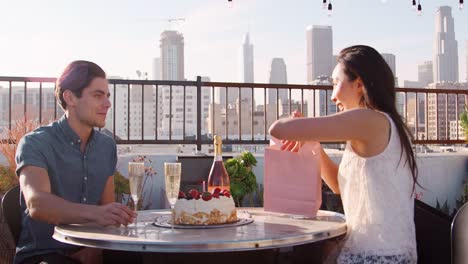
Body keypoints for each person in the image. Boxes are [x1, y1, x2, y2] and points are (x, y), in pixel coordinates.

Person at [269, 45, 418, 263]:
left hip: (379, 257)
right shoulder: (379, 124)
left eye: (336, 83)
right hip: (380, 253)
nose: (332, 96)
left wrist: (299, 124)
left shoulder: (369, 121)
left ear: (359, 84)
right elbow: (340, 186)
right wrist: (314, 145)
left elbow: (278, 129)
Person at [15, 60, 136, 264]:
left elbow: (107, 209)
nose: (107, 104)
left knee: (137, 258)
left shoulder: (106, 146)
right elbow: (37, 203)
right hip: (44, 256)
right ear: (70, 97)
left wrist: (95, 250)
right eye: (98, 95)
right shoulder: (35, 143)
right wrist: (97, 214)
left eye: (107, 96)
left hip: (93, 248)